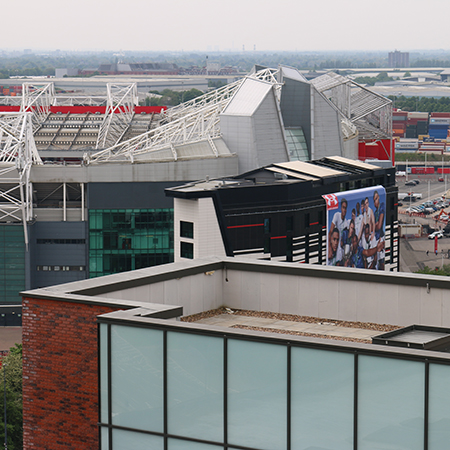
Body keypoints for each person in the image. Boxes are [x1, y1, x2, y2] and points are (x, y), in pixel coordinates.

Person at [373, 190, 385, 270]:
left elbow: (379, 226)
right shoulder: (375, 213)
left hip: (381, 237)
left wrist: (375, 225)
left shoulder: (382, 206)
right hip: (376, 239)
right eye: (374, 200)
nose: (375, 202)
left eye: (376, 199)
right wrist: (375, 225)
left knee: (381, 262)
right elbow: (374, 226)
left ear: (379, 198)